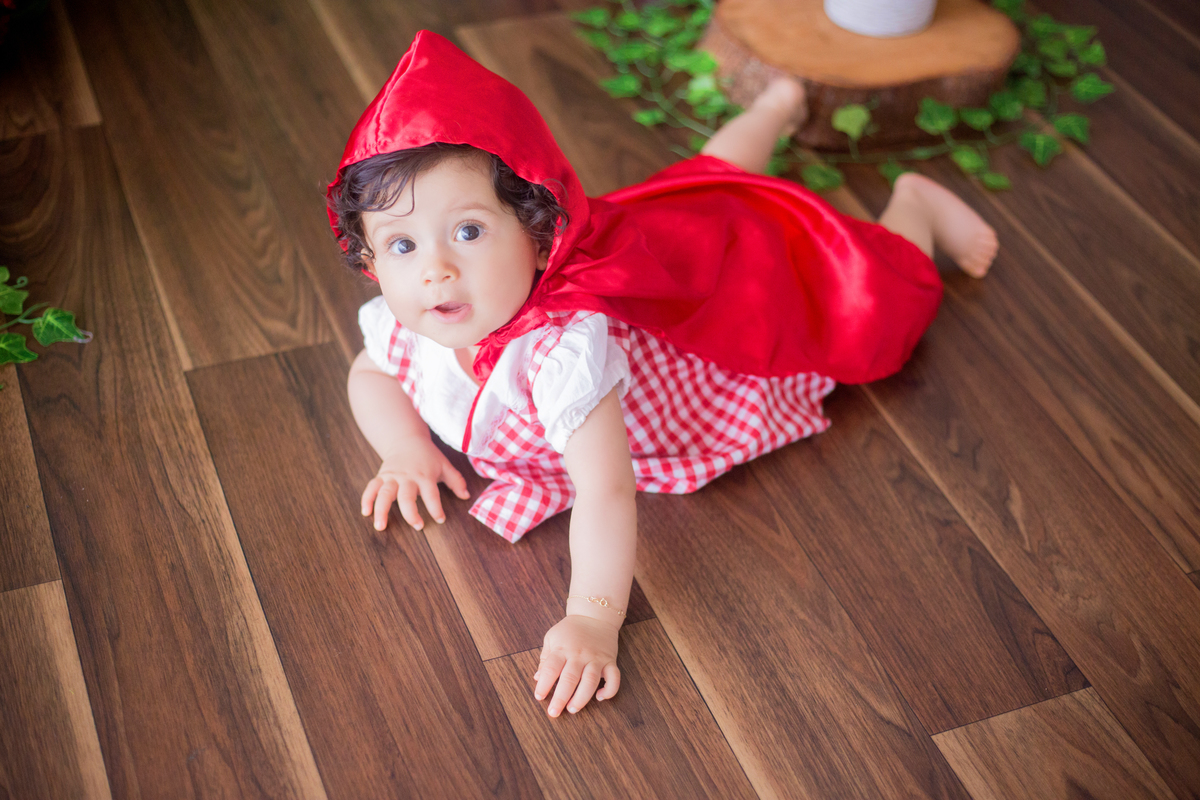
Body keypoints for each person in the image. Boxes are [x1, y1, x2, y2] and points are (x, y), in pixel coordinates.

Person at [330, 31, 998, 720]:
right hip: (658, 243)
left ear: (537, 233)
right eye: (403, 245)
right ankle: (778, 104)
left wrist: (592, 618)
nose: (435, 267)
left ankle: (913, 208)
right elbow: (371, 374)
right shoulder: (412, 317)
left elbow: (607, 489)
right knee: (700, 182)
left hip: (717, 311)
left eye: (468, 231)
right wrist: (404, 449)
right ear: (374, 264)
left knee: (869, 302)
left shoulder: (559, 354)